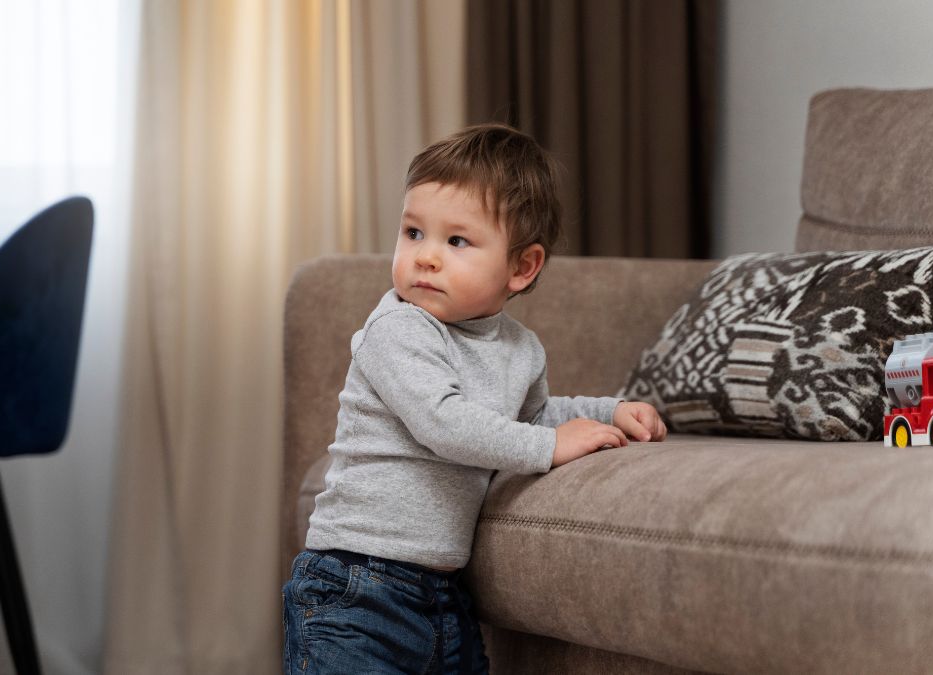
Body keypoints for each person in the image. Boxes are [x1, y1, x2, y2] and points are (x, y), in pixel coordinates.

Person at [282, 123, 667, 674]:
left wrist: (606, 412)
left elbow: (531, 416)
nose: (427, 257)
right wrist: (548, 446)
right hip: (355, 584)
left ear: (521, 267)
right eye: (413, 233)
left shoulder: (520, 349)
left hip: (441, 596)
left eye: (456, 241)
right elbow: (446, 424)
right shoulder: (398, 329)